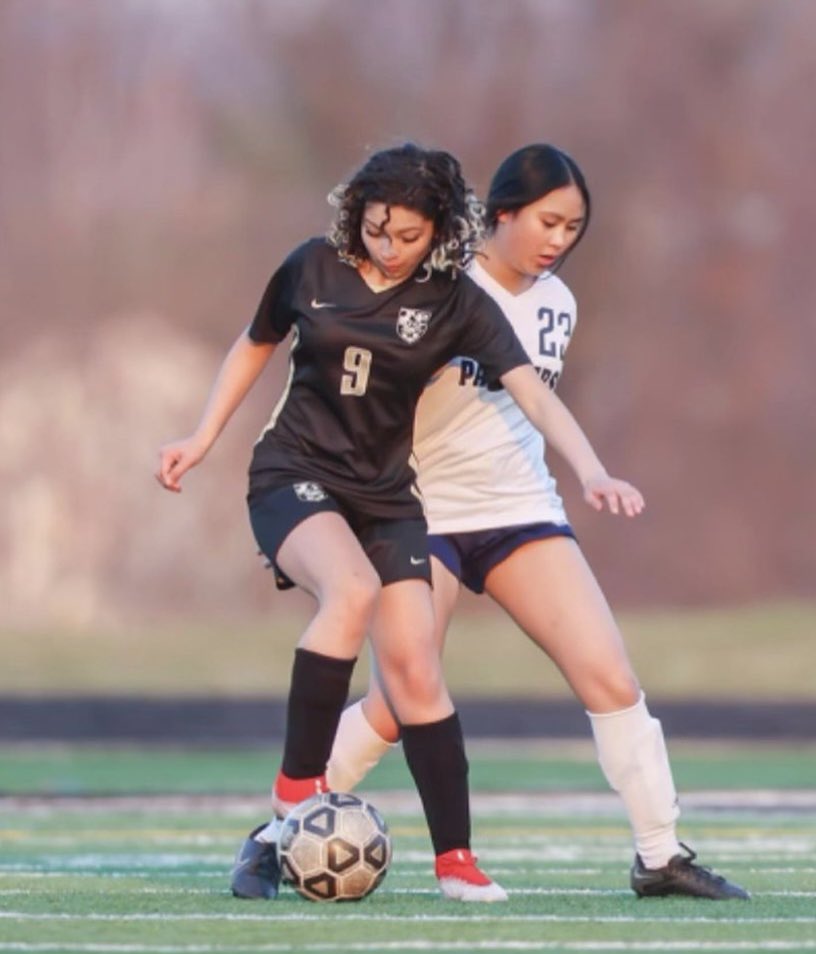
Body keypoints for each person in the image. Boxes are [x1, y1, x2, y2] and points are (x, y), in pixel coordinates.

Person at [155, 143, 644, 904]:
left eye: (407, 236)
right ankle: (294, 794)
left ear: (440, 231)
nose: (387, 247)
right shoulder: (312, 266)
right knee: (349, 591)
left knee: (415, 669)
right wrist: (201, 436)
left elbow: (534, 395)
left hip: (386, 495)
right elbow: (254, 345)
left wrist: (592, 470)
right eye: (376, 228)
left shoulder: (457, 302)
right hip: (294, 474)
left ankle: (457, 862)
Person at [324, 143, 749, 901]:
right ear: (502, 214)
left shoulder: (559, 303)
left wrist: (592, 473)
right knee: (394, 702)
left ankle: (660, 854)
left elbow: (538, 404)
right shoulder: (436, 287)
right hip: (422, 512)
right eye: (548, 221)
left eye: (573, 228)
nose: (559, 240)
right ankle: (282, 829)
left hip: (519, 509)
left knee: (610, 676)